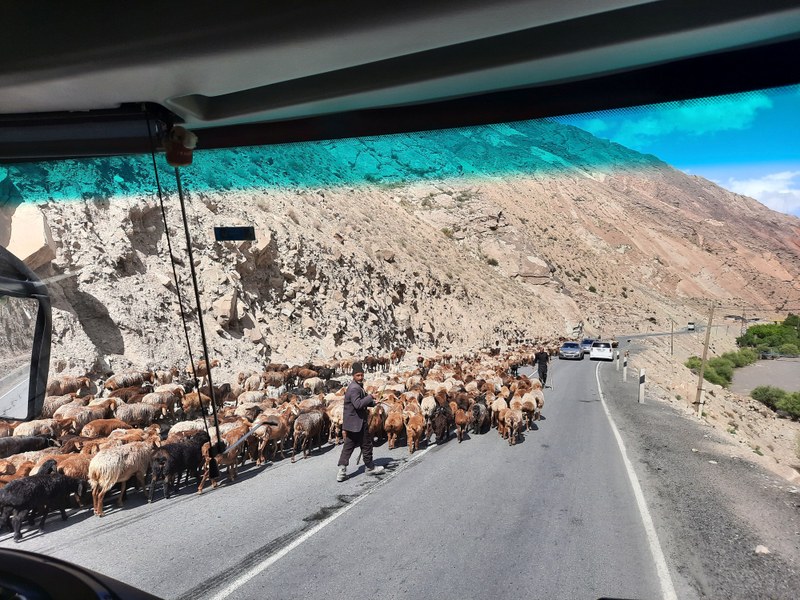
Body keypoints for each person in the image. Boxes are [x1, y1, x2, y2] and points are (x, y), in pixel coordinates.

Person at [337, 362, 385, 482]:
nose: (360, 377)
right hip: (357, 422)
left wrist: (374, 403)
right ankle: (370, 468)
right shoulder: (354, 388)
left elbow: (361, 401)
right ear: (353, 376)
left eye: (362, 375)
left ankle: (342, 471)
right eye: (358, 375)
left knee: (348, 446)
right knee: (367, 444)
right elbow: (358, 404)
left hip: (352, 422)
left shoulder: (357, 386)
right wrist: (371, 397)